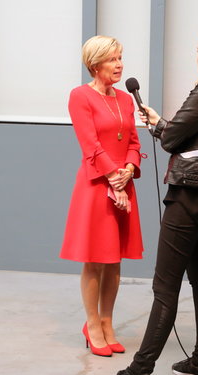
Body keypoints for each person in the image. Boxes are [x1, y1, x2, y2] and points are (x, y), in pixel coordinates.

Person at [116, 28, 198, 375]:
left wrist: (161, 128)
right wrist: (161, 124)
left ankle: (140, 368)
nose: (197, 55)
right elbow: (195, 136)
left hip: (190, 193)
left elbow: (173, 139)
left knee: (164, 286)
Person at [60, 35, 144, 357]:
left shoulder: (125, 100)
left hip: (123, 184)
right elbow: (90, 144)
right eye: (112, 59)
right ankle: (92, 324)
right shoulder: (80, 96)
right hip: (97, 187)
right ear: (95, 64)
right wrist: (113, 177)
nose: (119, 64)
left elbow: (134, 142)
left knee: (115, 261)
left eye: (121, 57)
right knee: (96, 260)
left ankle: (108, 322)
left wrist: (129, 168)